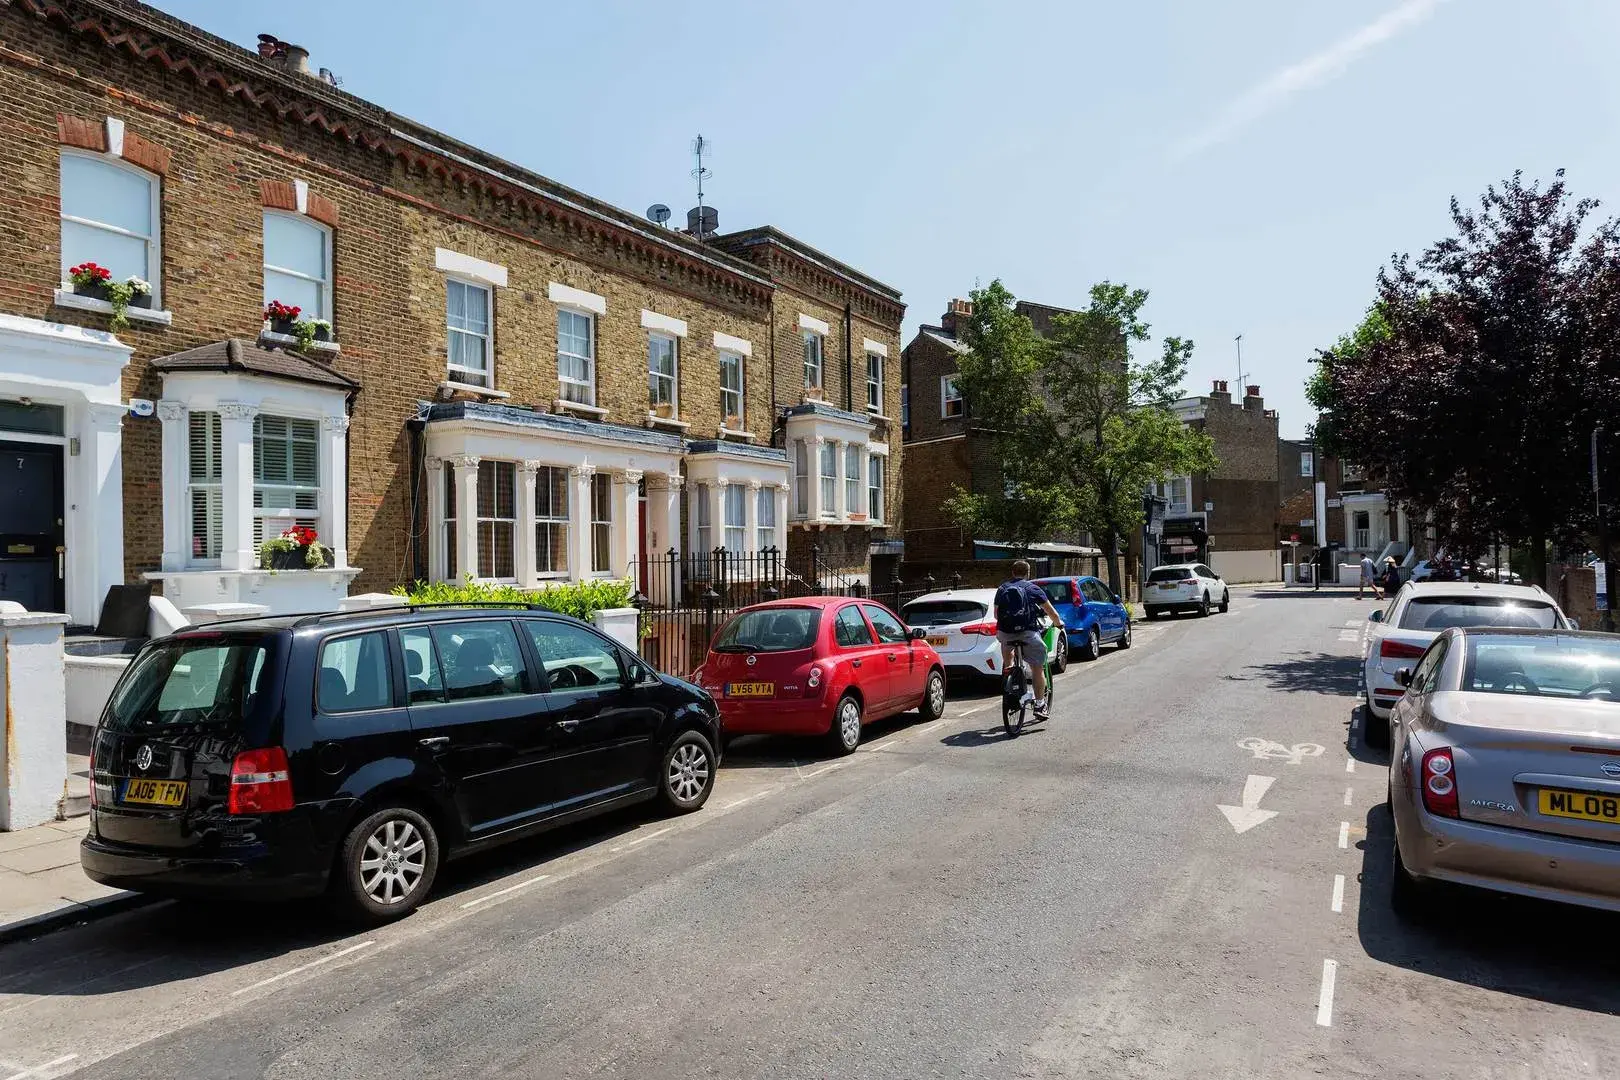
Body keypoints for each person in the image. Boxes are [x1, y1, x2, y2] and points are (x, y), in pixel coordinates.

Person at [994, 560, 1066, 721]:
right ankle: (1040, 704)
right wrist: (1058, 623)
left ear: (1012, 572)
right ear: (1028, 573)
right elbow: (1051, 612)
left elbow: (996, 614)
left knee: (1006, 644)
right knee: (1037, 667)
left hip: (1006, 633)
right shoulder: (1033, 588)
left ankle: (1009, 670)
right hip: (1027, 632)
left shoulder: (1002, 589)